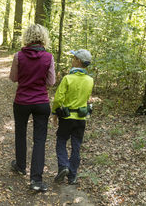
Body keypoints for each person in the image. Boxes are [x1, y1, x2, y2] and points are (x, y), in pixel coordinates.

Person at [9, 24, 55, 192]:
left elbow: (13, 78)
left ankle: (20, 165)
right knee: (40, 140)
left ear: (27, 37)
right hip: (41, 102)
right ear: (43, 38)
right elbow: (51, 82)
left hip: (21, 101)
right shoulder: (49, 57)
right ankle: (36, 180)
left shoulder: (18, 56)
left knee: (20, 133)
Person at [52, 49, 94, 185]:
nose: (72, 60)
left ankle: (64, 166)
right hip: (81, 119)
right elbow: (87, 99)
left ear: (79, 62)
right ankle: (73, 176)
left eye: (74, 58)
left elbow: (58, 99)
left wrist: (54, 114)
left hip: (67, 118)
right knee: (76, 146)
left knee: (61, 141)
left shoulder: (67, 78)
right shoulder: (90, 80)